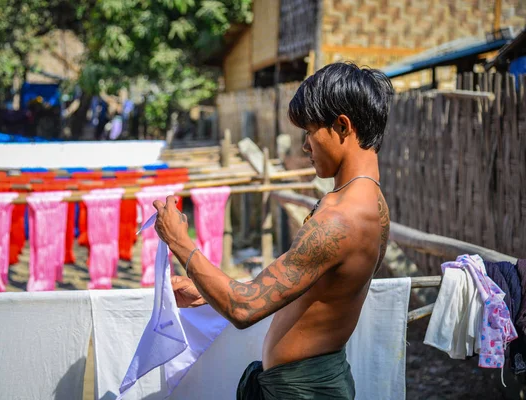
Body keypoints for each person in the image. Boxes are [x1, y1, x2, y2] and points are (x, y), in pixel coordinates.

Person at [152, 62, 394, 399]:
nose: (306, 146)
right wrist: (205, 289)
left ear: (342, 126)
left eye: (310, 132)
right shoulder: (367, 202)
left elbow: (243, 308)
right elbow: (300, 285)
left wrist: (179, 242)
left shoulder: (341, 219)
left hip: (303, 391)